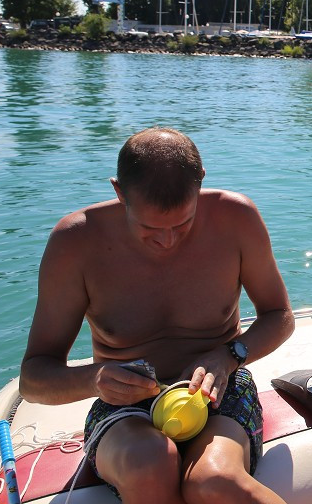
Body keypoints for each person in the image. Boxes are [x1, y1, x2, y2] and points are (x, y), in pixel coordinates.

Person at [20, 127, 295, 504]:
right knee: (151, 463)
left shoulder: (236, 218)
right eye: (150, 228)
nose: (167, 241)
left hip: (220, 390)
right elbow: (33, 379)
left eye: (182, 224)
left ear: (200, 188)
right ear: (119, 192)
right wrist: (96, 379)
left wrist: (228, 357)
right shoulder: (76, 242)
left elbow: (280, 315)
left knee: (213, 480)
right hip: (122, 408)